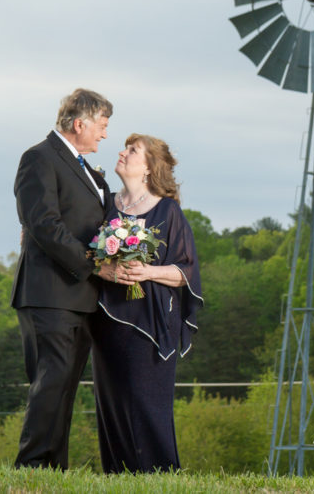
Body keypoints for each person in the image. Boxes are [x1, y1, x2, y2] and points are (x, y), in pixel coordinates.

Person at [11, 88, 112, 469]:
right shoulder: (38, 158)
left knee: (65, 388)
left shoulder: (87, 169)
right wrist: (92, 264)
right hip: (48, 293)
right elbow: (43, 223)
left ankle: (54, 470)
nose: (104, 134)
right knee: (50, 383)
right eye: (102, 126)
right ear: (79, 123)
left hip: (81, 297)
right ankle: (31, 468)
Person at [90, 133, 204, 473]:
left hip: (151, 324)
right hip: (107, 320)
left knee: (145, 402)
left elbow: (186, 272)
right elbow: (88, 254)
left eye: (132, 150)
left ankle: (160, 476)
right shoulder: (106, 205)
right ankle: (118, 476)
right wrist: (105, 267)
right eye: (125, 148)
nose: (123, 153)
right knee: (111, 402)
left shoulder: (168, 211)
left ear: (149, 167)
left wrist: (148, 272)